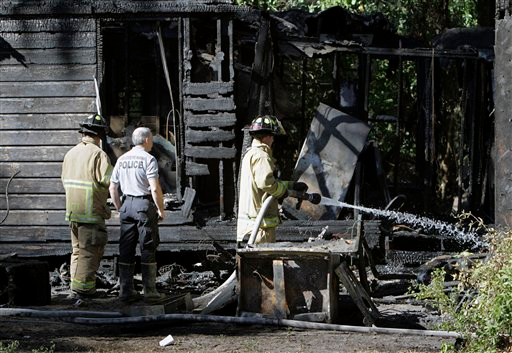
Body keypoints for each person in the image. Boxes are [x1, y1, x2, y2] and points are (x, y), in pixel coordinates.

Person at [109, 127, 166, 304]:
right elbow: (155, 188)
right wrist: (161, 210)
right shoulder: (148, 159)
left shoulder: (122, 159)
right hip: (143, 205)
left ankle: (126, 291)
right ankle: (150, 291)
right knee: (147, 245)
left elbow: (112, 188)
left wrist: (120, 207)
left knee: (126, 247)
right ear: (147, 140)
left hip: (127, 205)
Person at [61, 114, 112, 299]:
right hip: (91, 213)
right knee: (90, 251)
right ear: (99, 135)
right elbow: (109, 181)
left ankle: (75, 288)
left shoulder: (71, 153)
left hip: (73, 212)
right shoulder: (98, 154)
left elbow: (65, 181)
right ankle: (84, 290)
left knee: (77, 251)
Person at [237, 115, 308, 244]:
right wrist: (283, 192)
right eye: (273, 136)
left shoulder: (250, 154)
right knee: (262, 263)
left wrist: (291, 185)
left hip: (251, 227)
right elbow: (266, 184)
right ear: (267, 136)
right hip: (259, 229)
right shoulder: (262, 156)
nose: (273, 140)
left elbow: (264, 182)